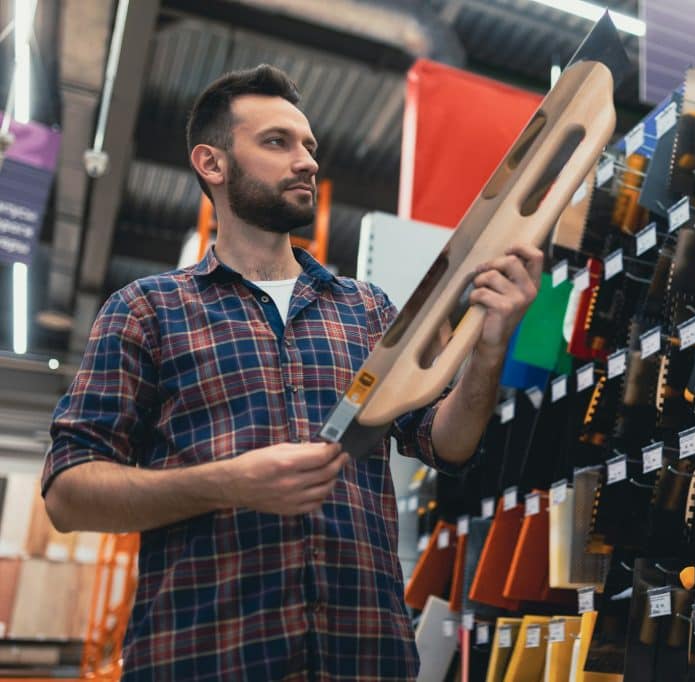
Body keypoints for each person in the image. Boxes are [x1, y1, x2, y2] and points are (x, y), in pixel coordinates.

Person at [42, 64, 542, 680]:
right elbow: (68, 493)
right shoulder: (147, 311)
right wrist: (228, 483)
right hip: (206, 659)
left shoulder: (366, 310)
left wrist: (490, 347)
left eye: (309, 146)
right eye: (277, 142)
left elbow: (445, 442)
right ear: (213, 163)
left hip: (365, 658)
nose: (306, 160)